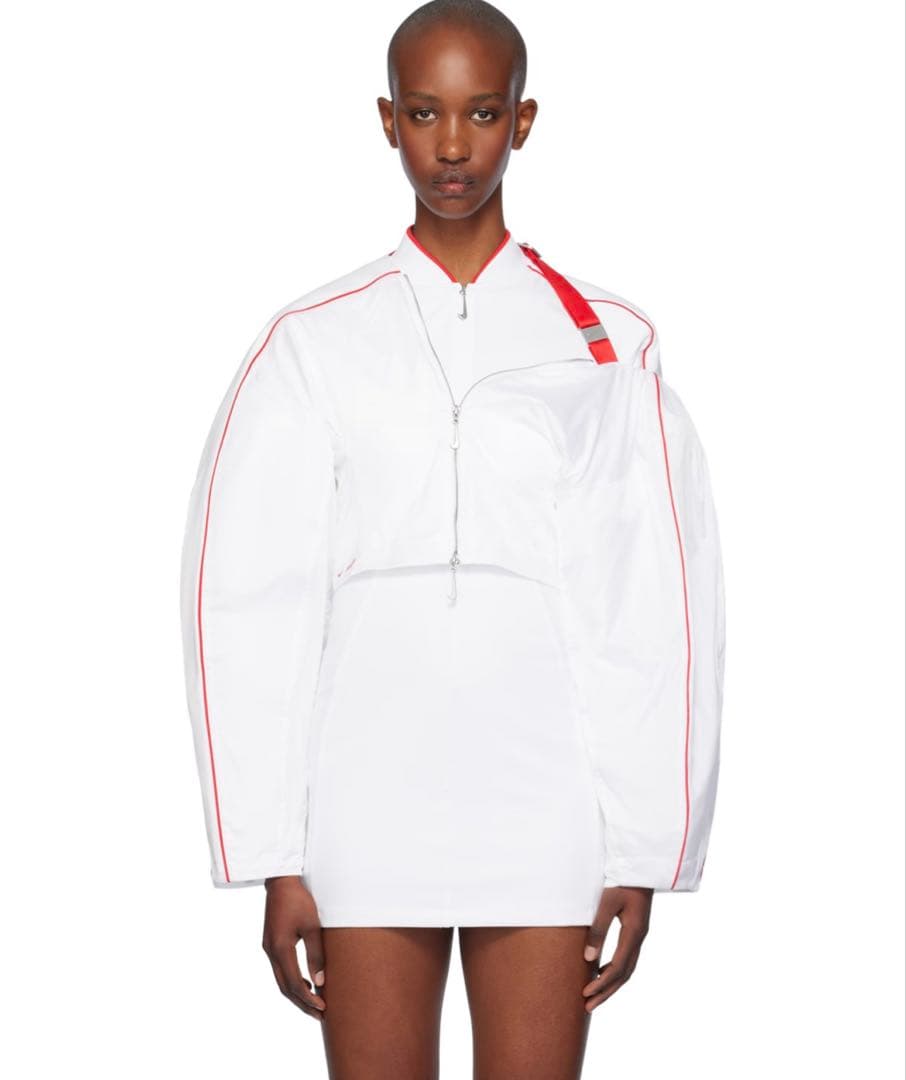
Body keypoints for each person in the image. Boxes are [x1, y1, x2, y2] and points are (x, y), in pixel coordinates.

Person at [178, 1, 726, 1076]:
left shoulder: (610, 341)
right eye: (425, 113)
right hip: (364, 794)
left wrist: (645, 845)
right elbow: (248, 597)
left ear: (523, 120)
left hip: (547, 797)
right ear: (389, 121)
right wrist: (273, 853)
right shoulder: (312, 340)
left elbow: (654, 597)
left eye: (481, 112)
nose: (453, 145)